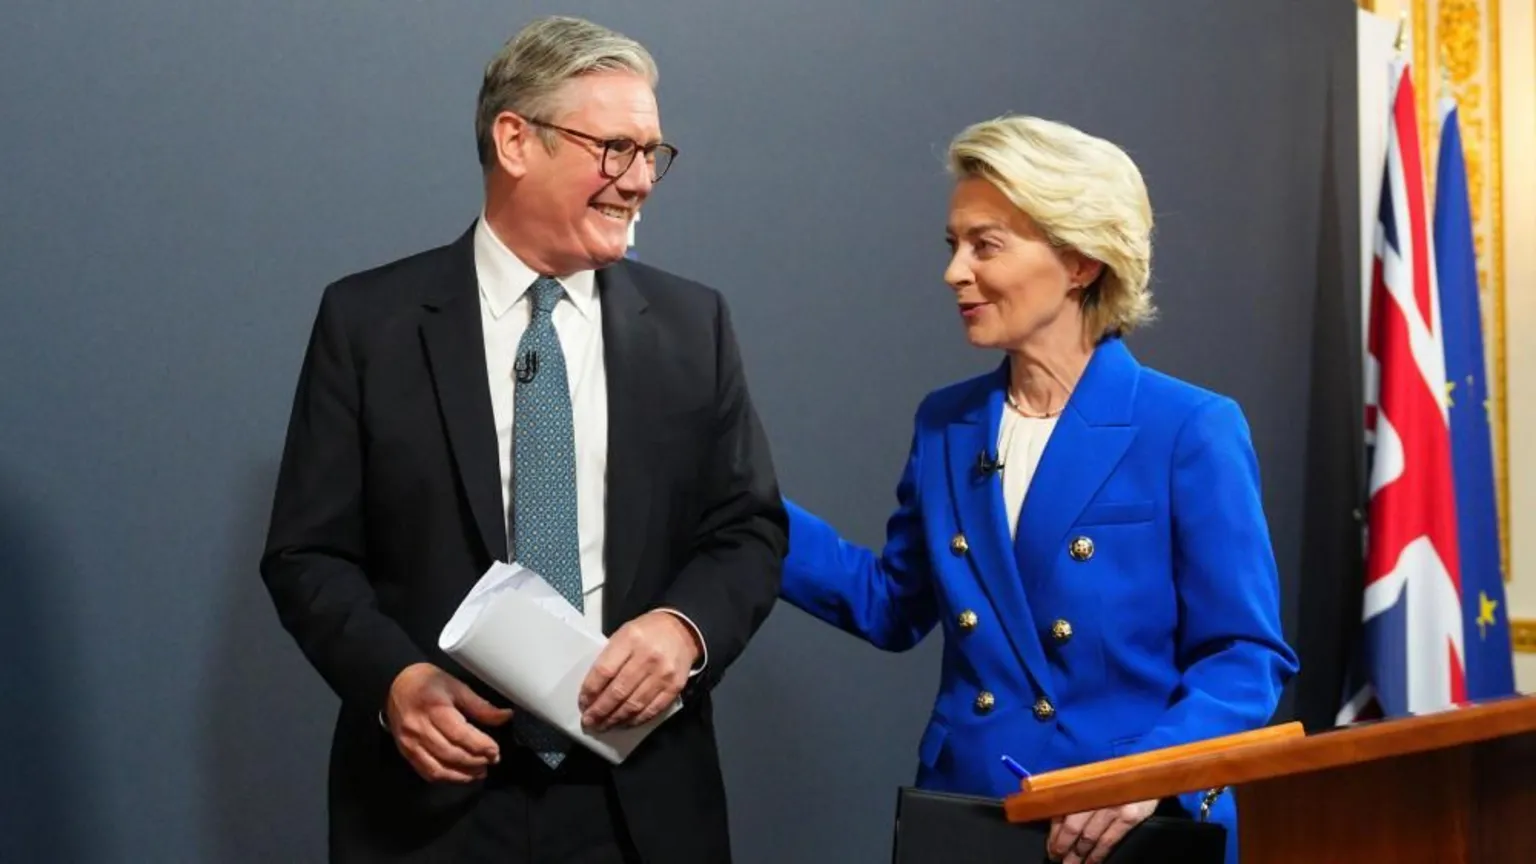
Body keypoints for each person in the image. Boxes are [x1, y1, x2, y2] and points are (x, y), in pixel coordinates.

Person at [260, 16, 787, 863]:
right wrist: (393, 683)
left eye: (654, 153)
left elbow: (749, 530)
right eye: (616, 149)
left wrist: (685, 631)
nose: (641, 180)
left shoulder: (695, 326)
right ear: (516, 140)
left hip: (640, 808)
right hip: (430, 806)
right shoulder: (370, 323)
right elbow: (306, 555)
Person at [779, 115, 1298, 864]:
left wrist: (1144, 776)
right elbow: (889, 605)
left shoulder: (1189, 427)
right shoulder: (947, 424)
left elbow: (1246, 654)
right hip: (971, 813)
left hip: (1130, 825)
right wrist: (740, 503)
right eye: (953, 245)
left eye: (985, 245)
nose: (955, 271)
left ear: (1081, 259)